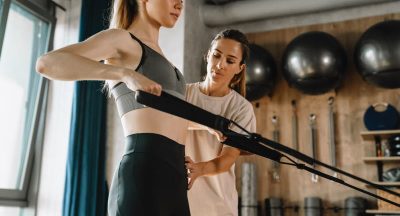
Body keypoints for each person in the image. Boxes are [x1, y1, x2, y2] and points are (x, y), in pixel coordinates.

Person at [36, 0, 190, 215]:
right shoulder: (121, 39)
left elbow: (166, 117)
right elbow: (47, 63)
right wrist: (124, 73)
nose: (179, 4)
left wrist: (212, 129)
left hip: (174, 174)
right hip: (144, 172)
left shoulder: (162, 55)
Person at [185, 29, 256, 216]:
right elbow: (165, 122)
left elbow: (227, 159)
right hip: (178, 200)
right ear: (208, 56)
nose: (220, 65)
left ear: (240, 67)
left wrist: (199, 169)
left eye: (230, 61)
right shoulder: (183, 94)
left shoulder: (241, 109)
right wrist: (206, 125)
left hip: (218, 207)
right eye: (216, 56)